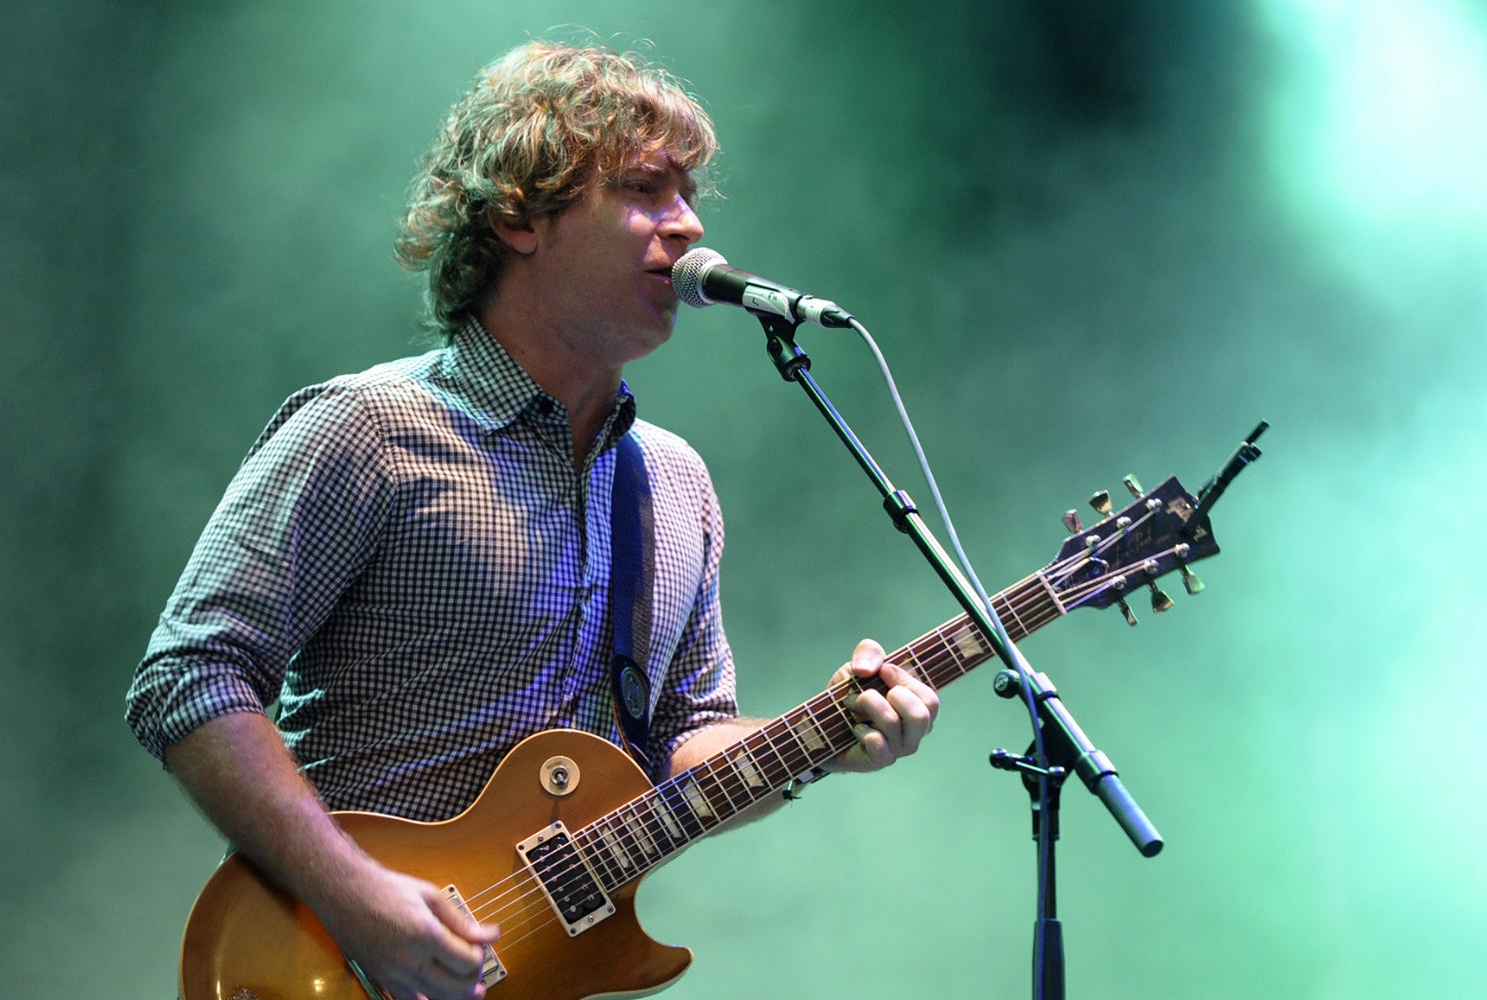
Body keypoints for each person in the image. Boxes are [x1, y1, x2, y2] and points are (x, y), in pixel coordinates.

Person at [126, 40, 940, 1000]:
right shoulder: (372, 429)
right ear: (518, 215)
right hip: (327, 962)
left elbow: (682, 739)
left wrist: (824, 738)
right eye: (646, 189)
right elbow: (189, 672)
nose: (686, 227)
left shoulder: (673, 485)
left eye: (691, 194)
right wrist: (354, 897)